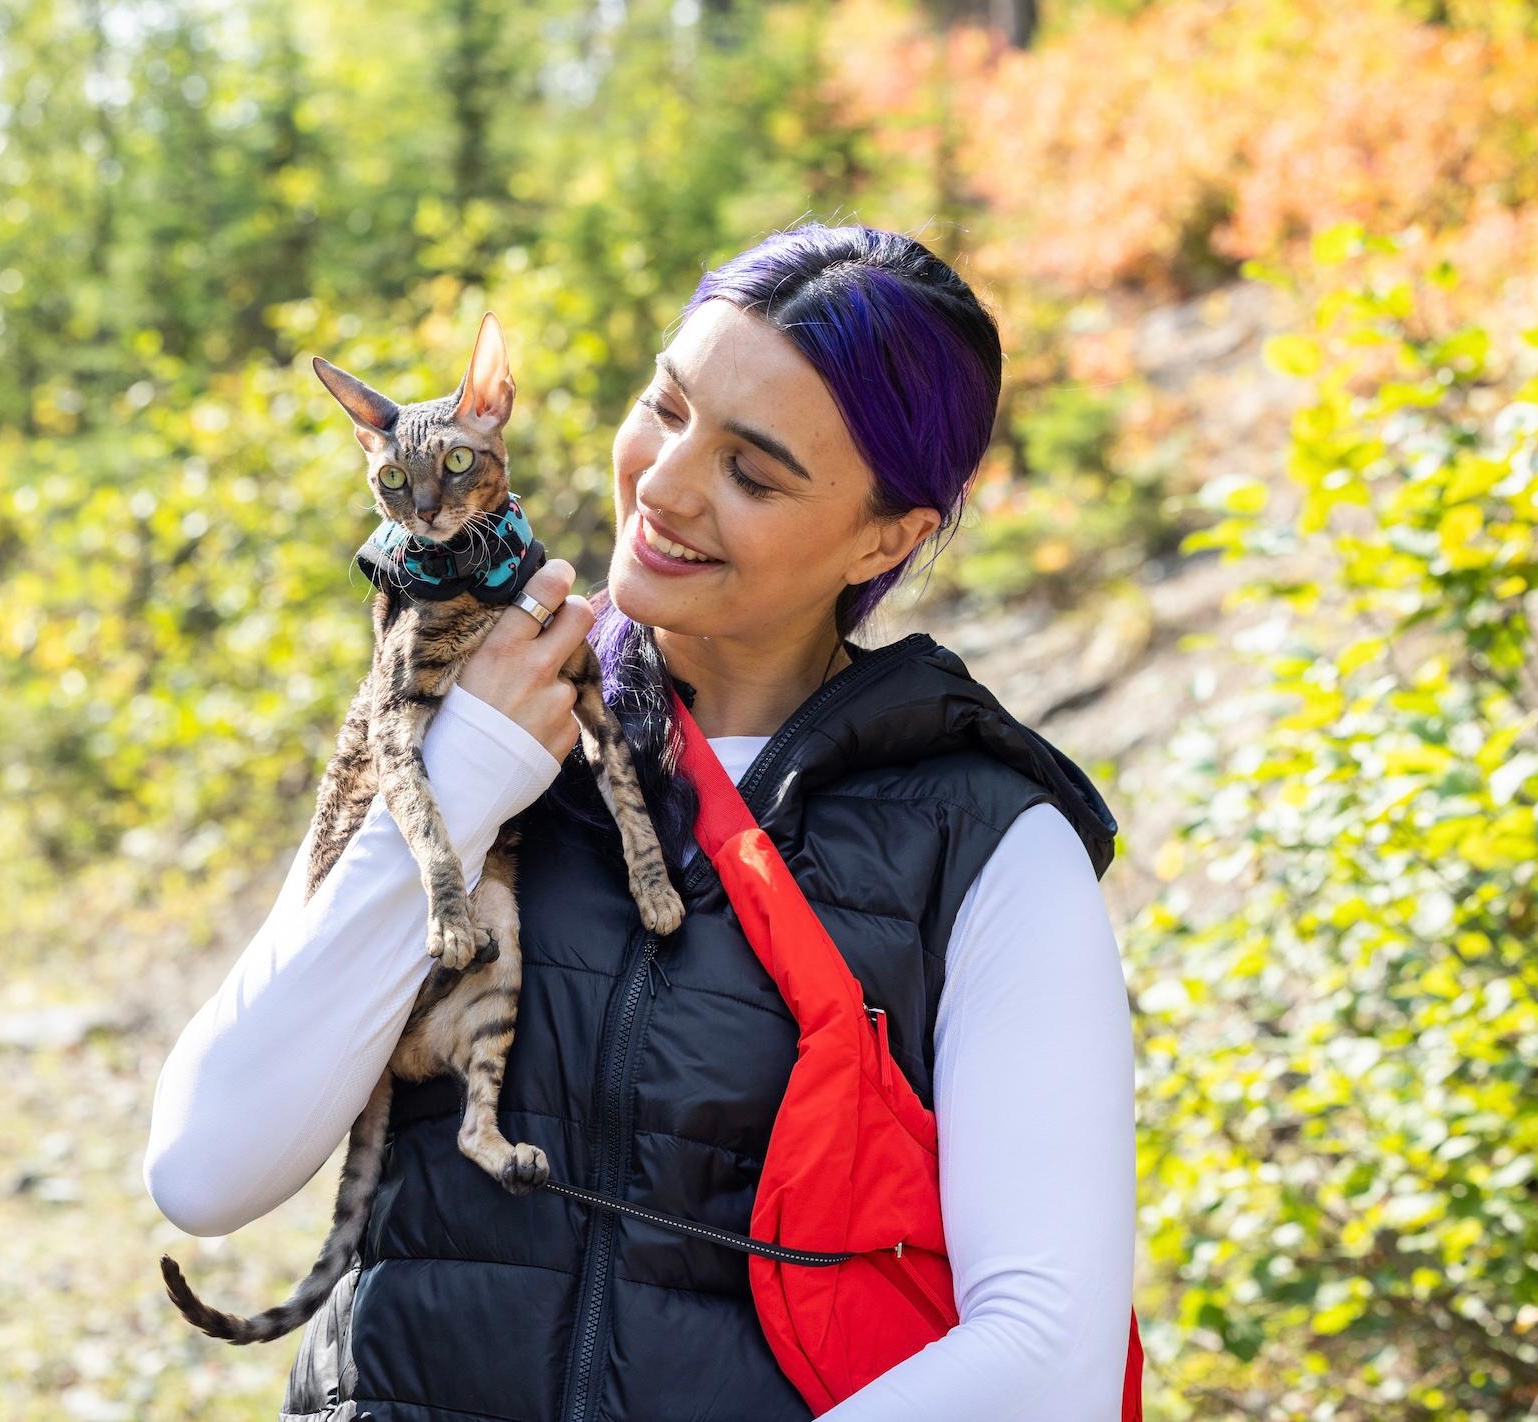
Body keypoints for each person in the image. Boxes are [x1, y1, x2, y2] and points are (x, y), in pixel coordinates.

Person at [144, 223, 1137, 1421]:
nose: (664, 486)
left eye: (752, 473)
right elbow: (208, 1165)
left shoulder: (984, 846)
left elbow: (1050, 1353)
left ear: (890, 535)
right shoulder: (471, 712)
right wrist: (467, 772)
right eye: (666, 409)